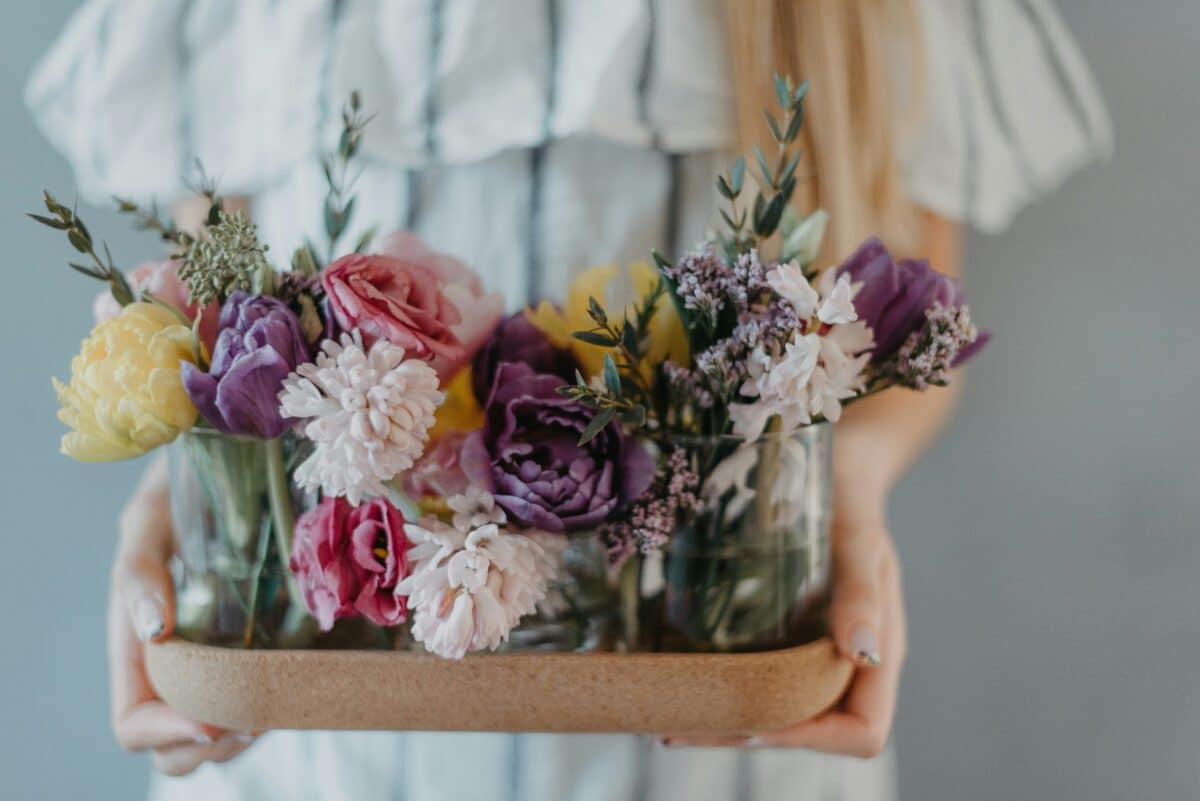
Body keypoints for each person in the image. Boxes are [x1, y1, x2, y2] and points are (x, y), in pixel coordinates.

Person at [28, 0, 1110, 798]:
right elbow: (217, 306)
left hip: (723, 752)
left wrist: (850, 493)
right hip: (323, 751)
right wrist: (188, 513)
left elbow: (901, 322)